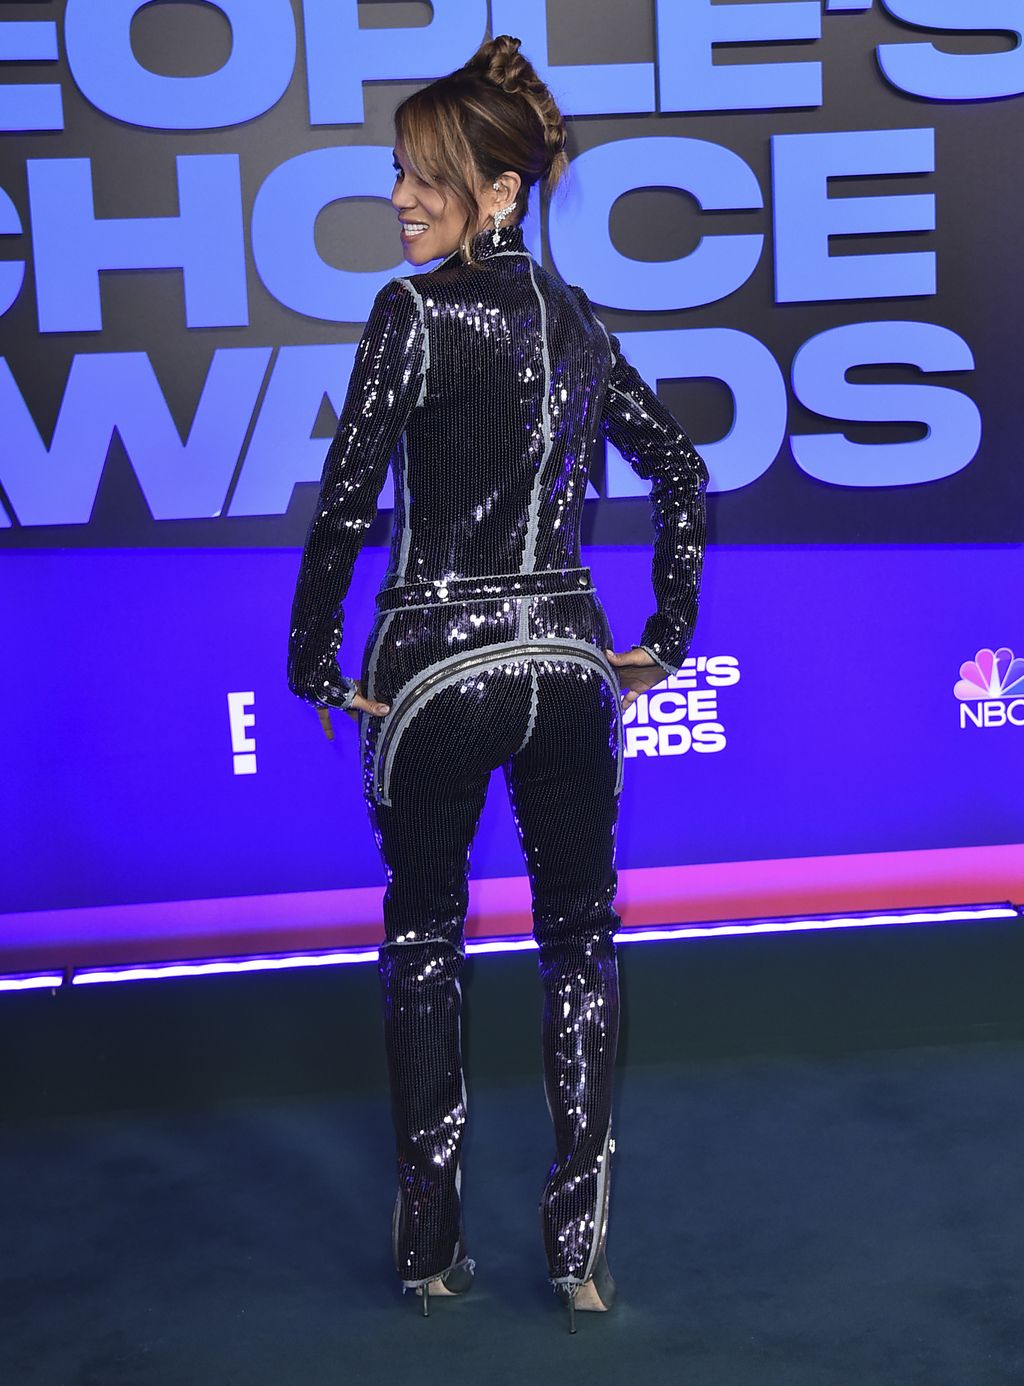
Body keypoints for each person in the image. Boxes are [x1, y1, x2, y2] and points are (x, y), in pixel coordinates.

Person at [286, 34, 709, 1332]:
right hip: (572, 665)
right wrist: (665, 638)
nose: (403, 198)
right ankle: (577, 1257)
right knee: (581, 940)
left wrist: (310, 657)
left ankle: (432, 1250)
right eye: (400, 175)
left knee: (426, 939)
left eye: (430, 176)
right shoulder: (579, 323)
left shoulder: (411, 314)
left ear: (504, 190)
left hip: (442, 670)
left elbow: (349, 502)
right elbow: (683, 473)